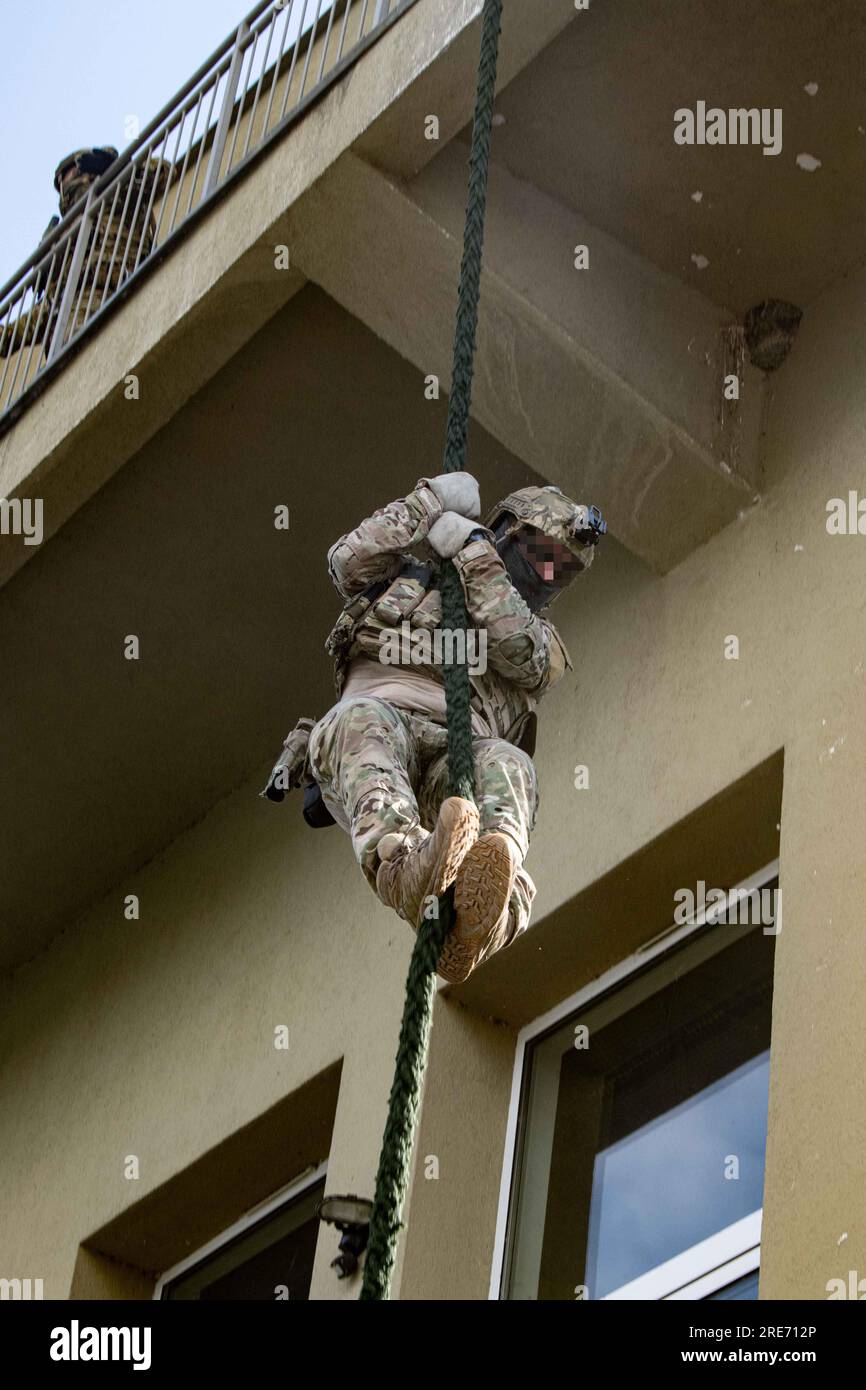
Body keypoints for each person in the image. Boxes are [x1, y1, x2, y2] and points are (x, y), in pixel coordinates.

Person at [299, 473, 605, 984]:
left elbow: (513, 646)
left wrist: (473, 552)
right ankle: (405, 869)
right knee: (360, 723)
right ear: (510, 529)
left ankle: (487, 908)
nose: (547, 575)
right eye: (542, 554)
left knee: (511, 765)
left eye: (561, 572)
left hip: (455, 756)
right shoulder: (407, 579)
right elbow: (346, 560)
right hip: (379, 726)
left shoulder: (542, 644)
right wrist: (430, 503)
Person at [1, 145, 173, 361]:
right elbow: (38, 316)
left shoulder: (117, 195)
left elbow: (163, 172)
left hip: (118, 298)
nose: (66, 182)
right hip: (67, 337)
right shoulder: (66, 245)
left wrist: (120, 171)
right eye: (62, 180)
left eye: (71, 172)